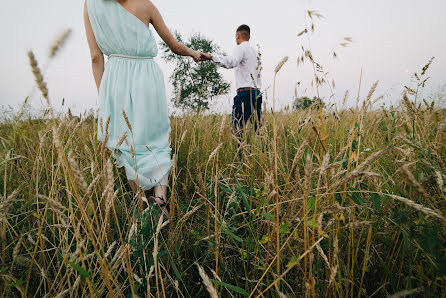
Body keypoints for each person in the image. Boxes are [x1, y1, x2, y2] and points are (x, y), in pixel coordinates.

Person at [84, 0, 205, 217]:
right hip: (147, 79)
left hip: (115, 82)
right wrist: (193, 53)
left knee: (127, 144)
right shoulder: (145, 5)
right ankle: (161, 201)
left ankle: (141, 211)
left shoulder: (91, 5)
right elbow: (175, 46)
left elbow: (95, 56)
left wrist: (105, 97)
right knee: (156, 142)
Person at [201, 24, 262, 141]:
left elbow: (231, 62)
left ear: (238, 36)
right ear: (249, 36)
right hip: (257, 94)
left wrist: (210, 57)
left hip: (245, 95)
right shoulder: (256, 53)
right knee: (259, 131)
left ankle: (241, 157)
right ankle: (265, 155)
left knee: (237, 130)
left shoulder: (240, 48)